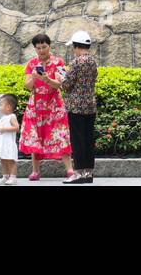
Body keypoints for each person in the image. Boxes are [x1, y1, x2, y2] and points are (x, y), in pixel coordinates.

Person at [18, 33, 73, 180]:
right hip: (36, 106)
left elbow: (62, 83)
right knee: (36, 136)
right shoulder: (31, 64)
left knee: (60, 135)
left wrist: (47, 79)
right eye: (38, 48)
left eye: (44, 47)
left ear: (49, 46)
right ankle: (35, 172)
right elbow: (27, 86)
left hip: (55, 105)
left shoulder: (59, 62)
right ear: (35, 48)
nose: (42, 50)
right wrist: (34, 78)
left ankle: (70, 170)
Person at [59, 30, 99, 184]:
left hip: (76, 107)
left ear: (76, 46)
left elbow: (67, 85)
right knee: (88, 140)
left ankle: (79, 173)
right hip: (90, 106)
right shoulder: (93, 61)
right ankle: (88, 173)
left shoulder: (76, 62)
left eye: (73, 47)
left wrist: (61, 78)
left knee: (78, 141)